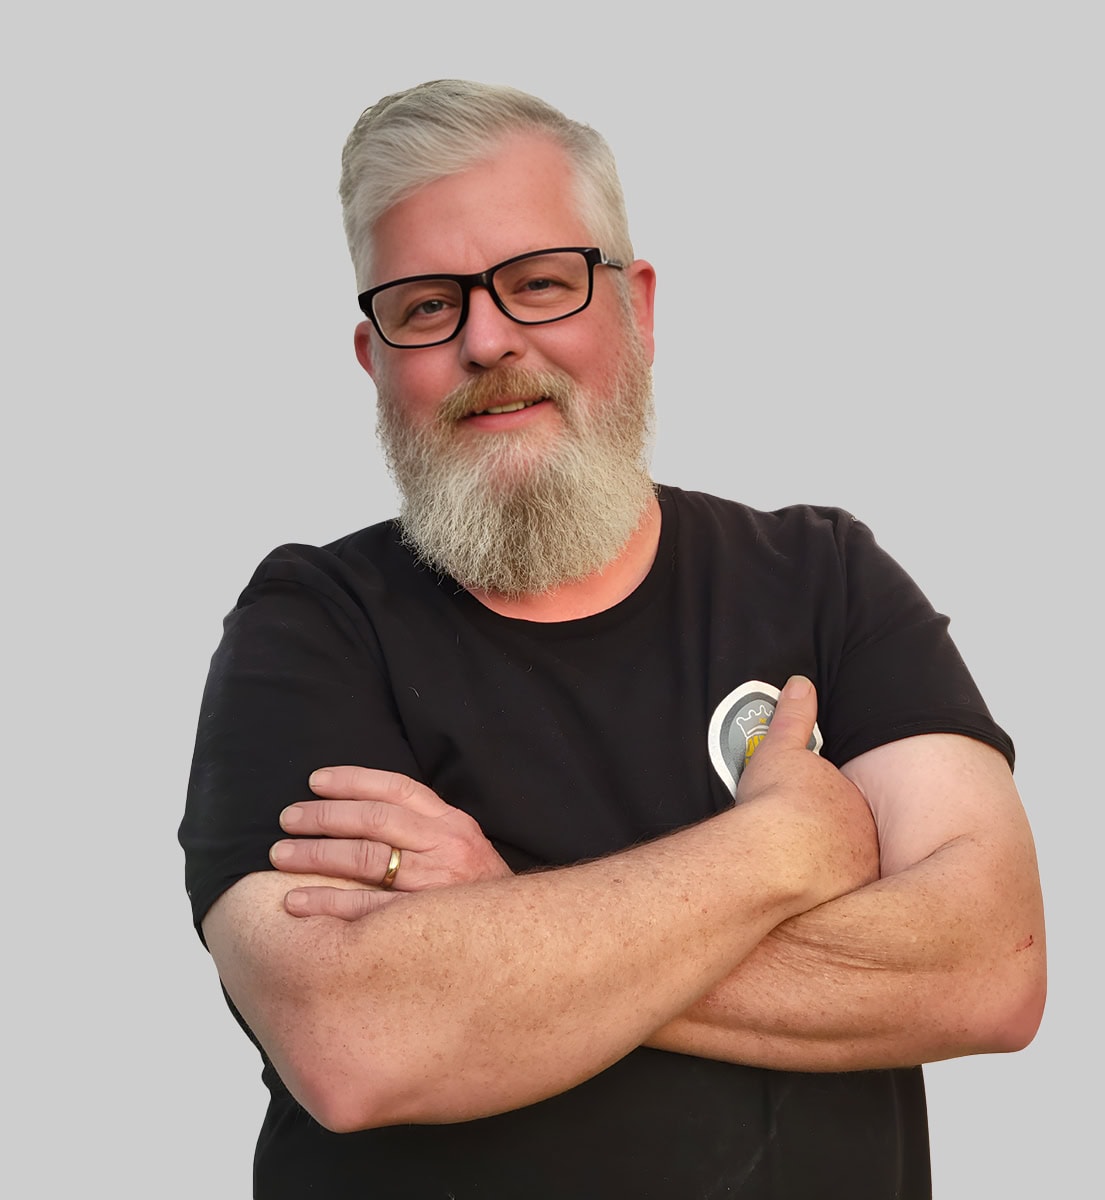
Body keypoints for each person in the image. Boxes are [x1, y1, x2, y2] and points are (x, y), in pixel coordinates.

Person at [179, 79, 1046, 1199]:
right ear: (375, 357)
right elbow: (355, 1041)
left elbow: (990, 967)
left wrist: (493, 922)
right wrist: (783, 850)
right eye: (427, 305)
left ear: (634, 306)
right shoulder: (309, 628)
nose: (488, 339)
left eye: (540, 284)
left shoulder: (824, 581)